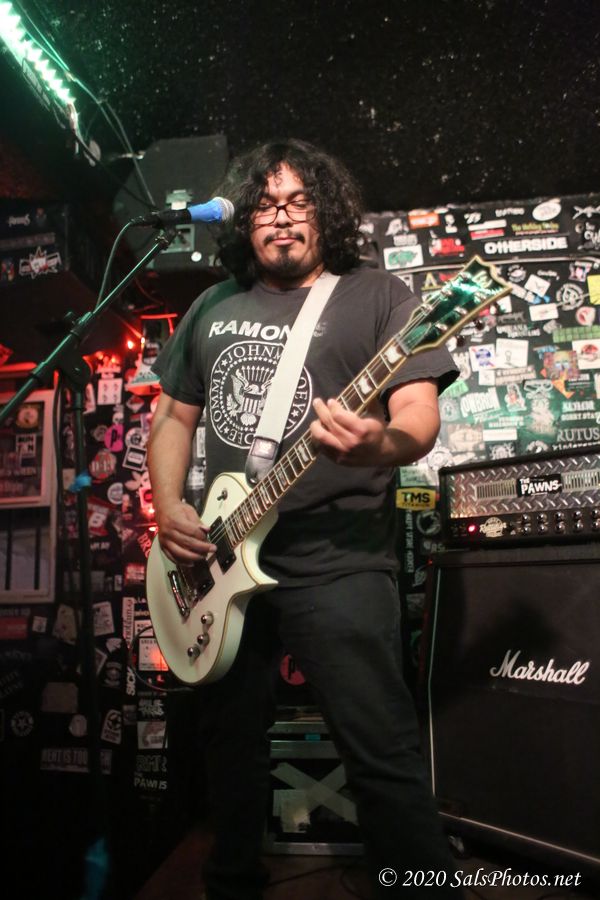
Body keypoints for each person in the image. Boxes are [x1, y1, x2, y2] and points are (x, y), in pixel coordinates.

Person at [148, 138, 462, 899]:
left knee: (380, 747)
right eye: (265, 204)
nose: (282, 217)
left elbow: (417, 417)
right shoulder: (212, 306)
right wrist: (168, 506)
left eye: (298, 202)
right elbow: (172, 418)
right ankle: (231, 882)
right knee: (228, 746)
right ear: (243, 220)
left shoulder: (380, 296)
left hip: (339, 557)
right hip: (219, 559)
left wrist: (376, 444)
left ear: (326, 212)